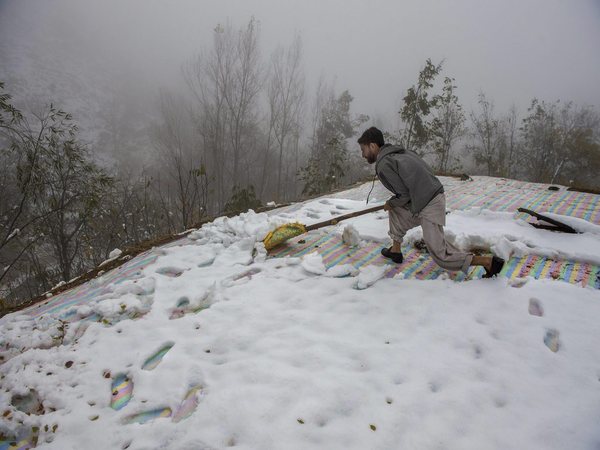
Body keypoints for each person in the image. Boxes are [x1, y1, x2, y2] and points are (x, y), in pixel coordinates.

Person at [357, 126, 504, 278]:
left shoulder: (384, 163)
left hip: (429, 203)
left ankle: (488, 262)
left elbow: (404, 195)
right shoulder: (398, 152)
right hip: (426, 199)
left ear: (373, 146)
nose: (363, 154)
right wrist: (394, 205)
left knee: (441, 255)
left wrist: (391, 203)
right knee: (396, 211)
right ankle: (396, 250)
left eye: (363, 149)